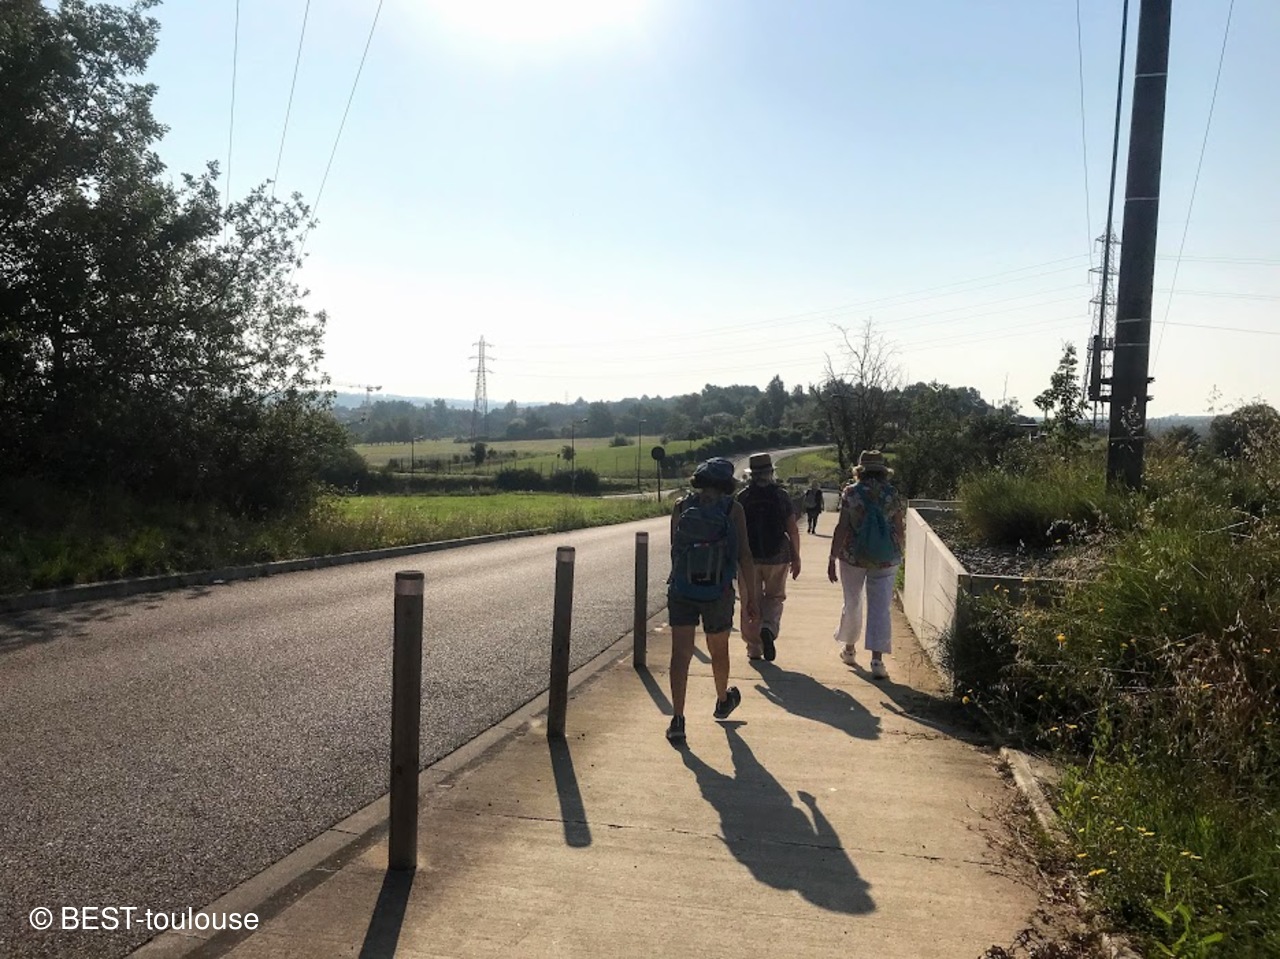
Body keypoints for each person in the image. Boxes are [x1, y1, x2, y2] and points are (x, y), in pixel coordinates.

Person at [666, 457, 760, 742]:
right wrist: (751, 598)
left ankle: (678, 719)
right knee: (718, 650)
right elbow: (745, 555)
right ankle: (722, 700)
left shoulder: (681, 506)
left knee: (680, 654)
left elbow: (674, 548)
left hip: (682, 588)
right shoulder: (733, 509)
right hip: (718, 591)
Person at [827, 450, 906, 680]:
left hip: (853, 556)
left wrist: (832, 557)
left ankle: (849, 650)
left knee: (852, 602)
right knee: (880, 607)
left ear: (860, 470)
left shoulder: (851, 492)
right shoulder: (891, 494)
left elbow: (842, 526)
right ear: (883, 471)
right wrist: (900, 550)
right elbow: (899, 526)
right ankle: (877, 661)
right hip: (885, 557)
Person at [735, 452, 801, 663]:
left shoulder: (743, 497)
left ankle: (753, 647)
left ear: (751, 474)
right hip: (778, 555)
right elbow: (792, 529)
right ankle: (768, 628)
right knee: (774, 597)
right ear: (771, 472)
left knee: (750, 600)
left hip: (749, 558)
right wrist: (796, 556)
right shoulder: (781, 496)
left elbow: (735, 530)